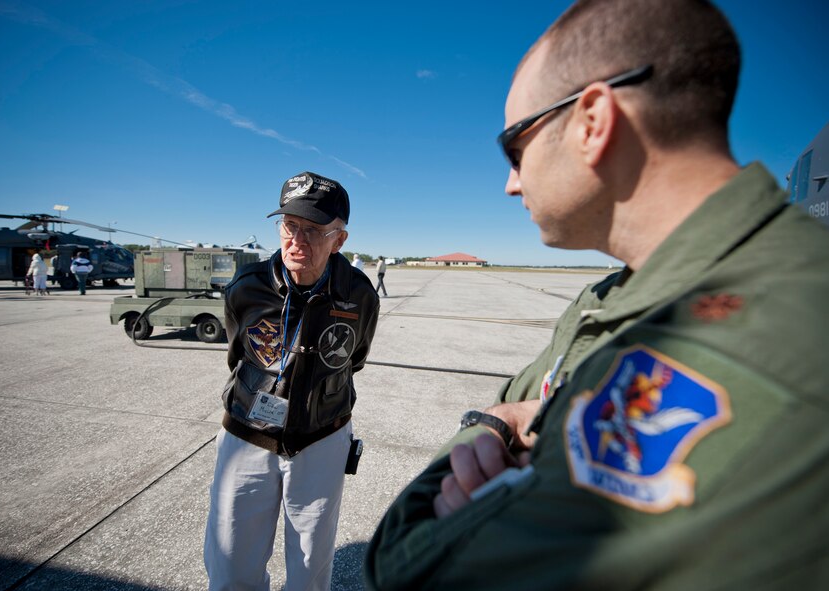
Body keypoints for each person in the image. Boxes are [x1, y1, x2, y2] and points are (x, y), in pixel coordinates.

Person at [365, 1, 829, 589]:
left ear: (592, 121)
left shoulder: (731, 350)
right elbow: (530, 398)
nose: (511, 183)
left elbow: (411, 568)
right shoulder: (620, 294)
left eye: (515, 148)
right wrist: (509, 425)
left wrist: (490, 426)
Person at [204, 171, 380, 591]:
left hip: (322, 437)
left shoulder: (359, 294)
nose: (298, 241)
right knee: (231, 565)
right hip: (247, 435)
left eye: (315, 230)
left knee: (310, 569)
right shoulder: (247, 287)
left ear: (340, 240)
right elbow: (238, 355)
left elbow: (353, 360)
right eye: (290, 226)